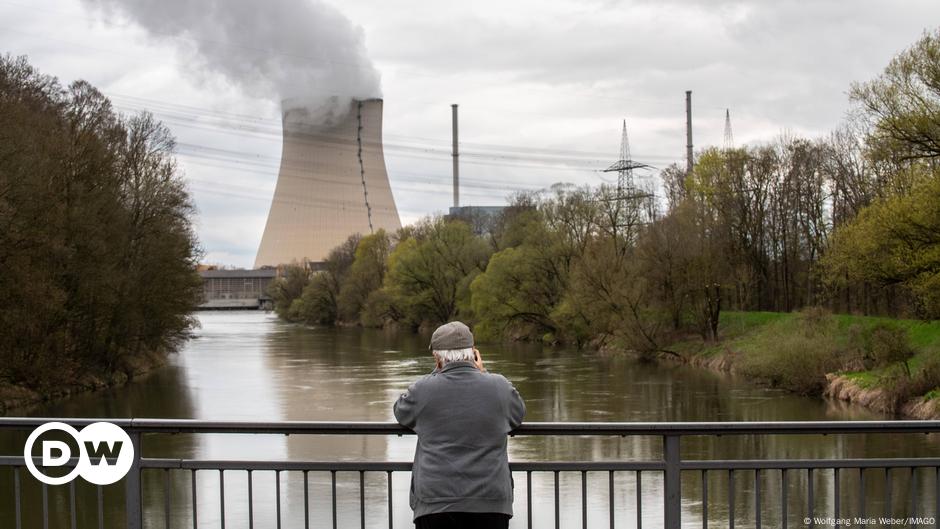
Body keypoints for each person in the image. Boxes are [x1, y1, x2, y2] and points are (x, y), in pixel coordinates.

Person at [394, 321, 526, 529]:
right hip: (490, 502)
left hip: (436, 503)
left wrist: (436, 373)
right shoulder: (500, 387)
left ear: (437, 358)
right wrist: (483, 373)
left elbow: (401, 412)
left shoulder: (423, 390)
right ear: (473, 354)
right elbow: (518, 414)